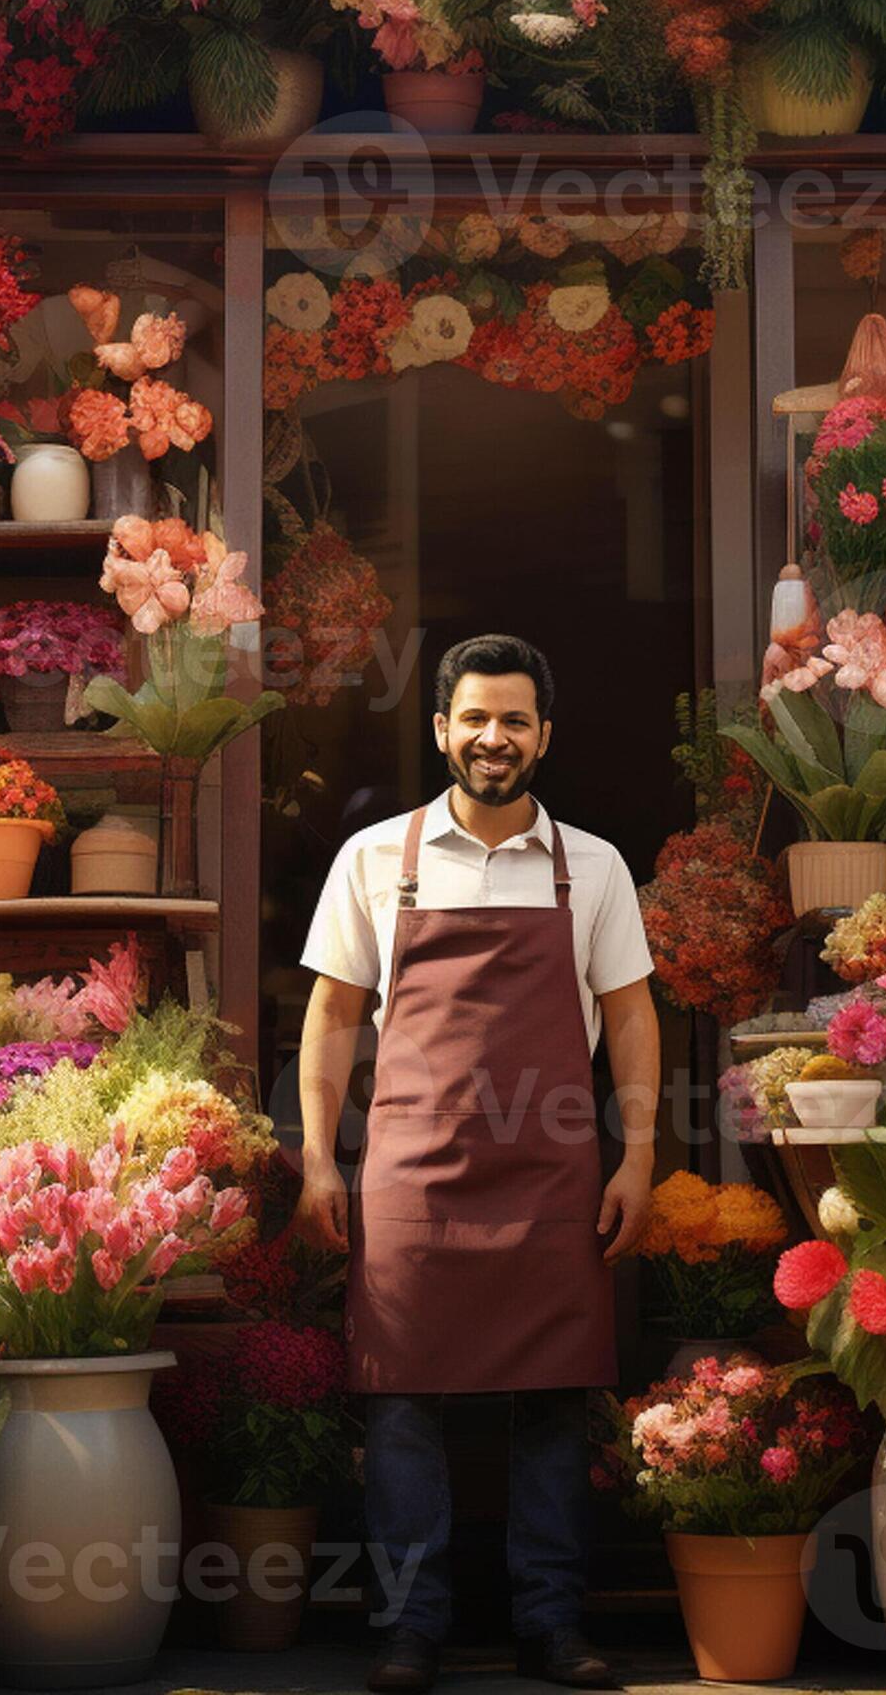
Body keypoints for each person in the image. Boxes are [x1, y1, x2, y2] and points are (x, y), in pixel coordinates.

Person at [294, 633, 659, 1693]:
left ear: (543, 736)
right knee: (400, 1398)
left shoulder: (591, 866)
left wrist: (635, 1154)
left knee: (555, 1398)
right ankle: (410, 1629)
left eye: (514, 719)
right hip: (408, 1169)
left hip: (552, 1171)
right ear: (442, 727)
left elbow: (632, 1018)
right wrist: (320, 1157)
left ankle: (554, 1624)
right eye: (474, 717)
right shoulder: (375, 859)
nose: (492, 737)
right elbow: (331, 1017)